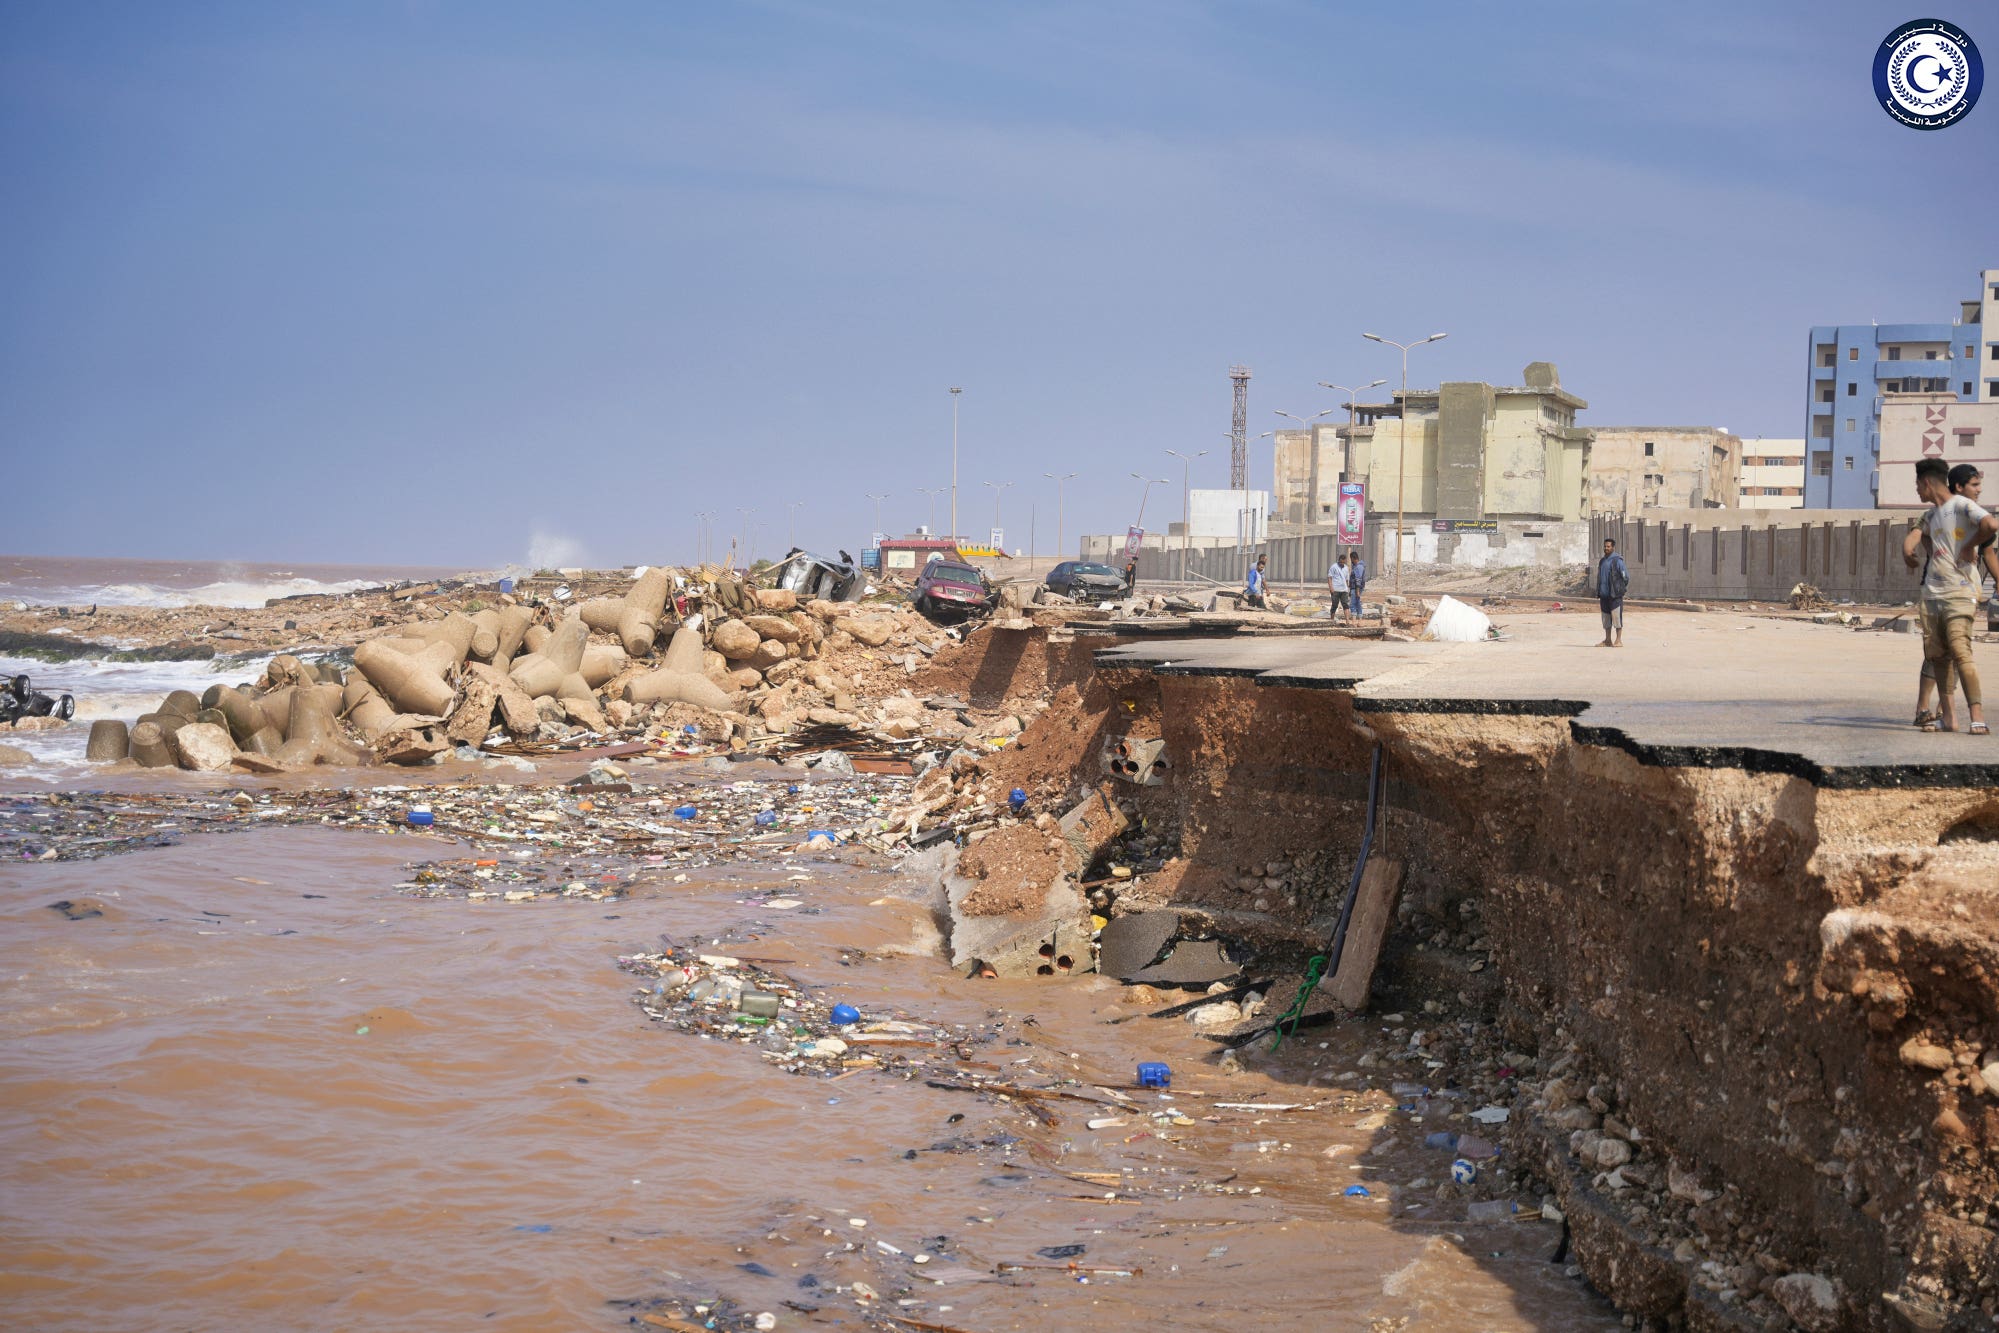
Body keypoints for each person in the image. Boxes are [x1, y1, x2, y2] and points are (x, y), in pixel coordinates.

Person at [1903, 457, 1996, 734]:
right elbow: (1916, 537)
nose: (1917, 491)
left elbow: (1990, 525)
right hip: (1932, 594)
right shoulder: (1931, 516)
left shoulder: (1963, 505)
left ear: (1927, 483)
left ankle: (1976, 716)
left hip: (1961, 592)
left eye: (1918, 485)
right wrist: (1907, 552)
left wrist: (1969, 545)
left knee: (1960, 651)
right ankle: (1950, 719)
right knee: (1939, 657)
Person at [1595, 538, 1629, 647]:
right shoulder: (1602, 561)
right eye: (1605, 546)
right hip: (1604, 595)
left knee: (1617, 618)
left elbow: (1625, 577)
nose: (1606, 548)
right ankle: (1607, 640)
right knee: (1606, 619)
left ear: (1613, 547)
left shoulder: (1617, 560)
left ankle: (1618, 640)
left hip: (1615, 596)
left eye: (1608, 546)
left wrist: (1619, 589)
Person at [1326, 553, 1350, 622]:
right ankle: (1332, 620)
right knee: (1334, 605)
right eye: (1341, 562)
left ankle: (1347, 621)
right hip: (1335, 590)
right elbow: (1330, 578)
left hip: (1344, 590)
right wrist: (1331, 588)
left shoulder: (1346, 568)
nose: (1342, 563)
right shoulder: (1334, 567)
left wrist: (1347, 589)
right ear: (1339, 560)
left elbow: (1347, 579)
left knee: (1345, 605)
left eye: (1343, 562)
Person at [1346, 549, 1368, 620]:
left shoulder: (1358, 567)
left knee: (1353, 604)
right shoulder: (1357, 566)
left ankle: (1354, 619)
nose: (1351, 561)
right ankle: (1360, 619)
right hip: (1354, 588)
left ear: (1353, 558)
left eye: (1351, 559)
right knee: (1357, 602)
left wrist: (1357, 591)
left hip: (1356, 588)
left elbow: (1358, 579)